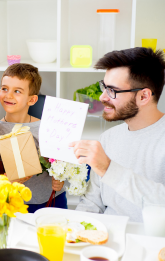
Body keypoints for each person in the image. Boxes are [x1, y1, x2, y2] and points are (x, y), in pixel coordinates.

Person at [70, 47, 165, 222]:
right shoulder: (109, 137)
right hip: (105, 240)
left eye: (112, 90)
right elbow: (92, 203)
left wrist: (108, 168)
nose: (102, 97)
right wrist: (76, 231)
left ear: (144, 96)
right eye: (104, 87)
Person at [0, 63, 67, 213]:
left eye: (17, 91)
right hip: (14, 203)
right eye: (4, 88)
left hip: (51, 200)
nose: (8, 95)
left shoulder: (46, 128)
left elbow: (62, 163)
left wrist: (60, 178)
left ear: (32, 100)